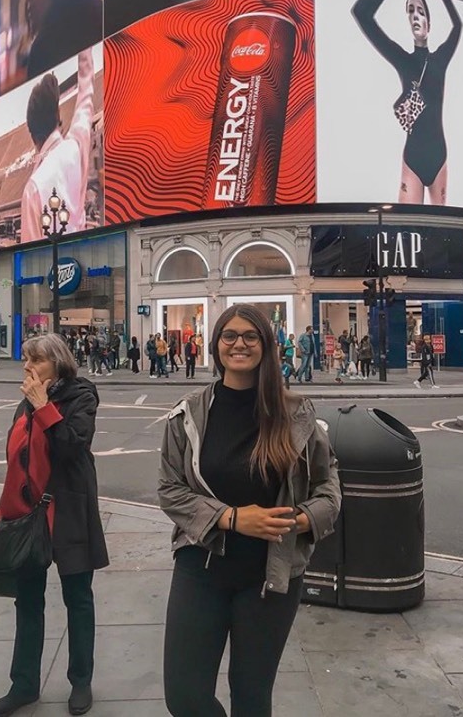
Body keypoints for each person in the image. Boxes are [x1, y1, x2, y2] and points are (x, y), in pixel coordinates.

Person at [158, 304, 341, 717]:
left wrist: (303, 518)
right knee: (184, 696)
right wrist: (234, 518)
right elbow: (170, 489)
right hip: (200, 567)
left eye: (250, 336)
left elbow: (329, 485)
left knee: (252, 696)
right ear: (215, 345)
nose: (239, 343)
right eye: (229, 335)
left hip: (270, 575)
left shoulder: (295, 413)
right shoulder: (189, 413)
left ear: (266, 346)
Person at [0, 334, 109, 717]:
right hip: (28, 513)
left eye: (35, 360)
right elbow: (18, 457)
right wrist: (6, 507)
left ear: (57, 362)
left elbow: (73, 447)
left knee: (78, 599)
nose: (27, 367)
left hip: (68, 511)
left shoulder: (81, 395)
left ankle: (81, 681)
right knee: (27, 601)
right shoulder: (29, 399)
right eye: (25, 360)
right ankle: (23, 685)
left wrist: (44, 408)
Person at [353, 0, 462, 206]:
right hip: (412, 157)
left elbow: (458, 26)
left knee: (441, 228)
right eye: (410, 10)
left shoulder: (440, 59)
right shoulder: (403, 60)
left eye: (421, 11)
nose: (415, 15)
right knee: (407, 225)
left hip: (439, 155)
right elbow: (361, 13)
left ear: (429, 24)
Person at [20, 48, 96, 245]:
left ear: (32, 134)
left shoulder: (33, 187)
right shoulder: (75, 147)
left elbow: (30, 258)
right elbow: (85, 100)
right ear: (57, 117)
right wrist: (85, 46)